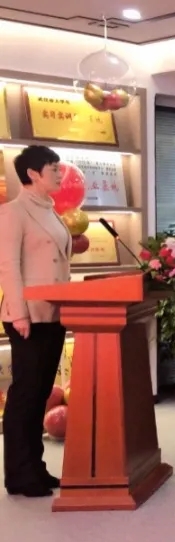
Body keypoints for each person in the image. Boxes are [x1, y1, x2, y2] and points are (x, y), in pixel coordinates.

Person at [0, 145, 70, 498]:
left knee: (40, 392)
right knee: (25, 394)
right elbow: (8, 266)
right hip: (27, 316)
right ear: (32, 173)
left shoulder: (52, 211)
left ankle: (36, 468)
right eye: (53, 168)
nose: (60, 173)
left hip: (53, 313)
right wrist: (19, 313)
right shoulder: (13, 212)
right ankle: (19, 475)